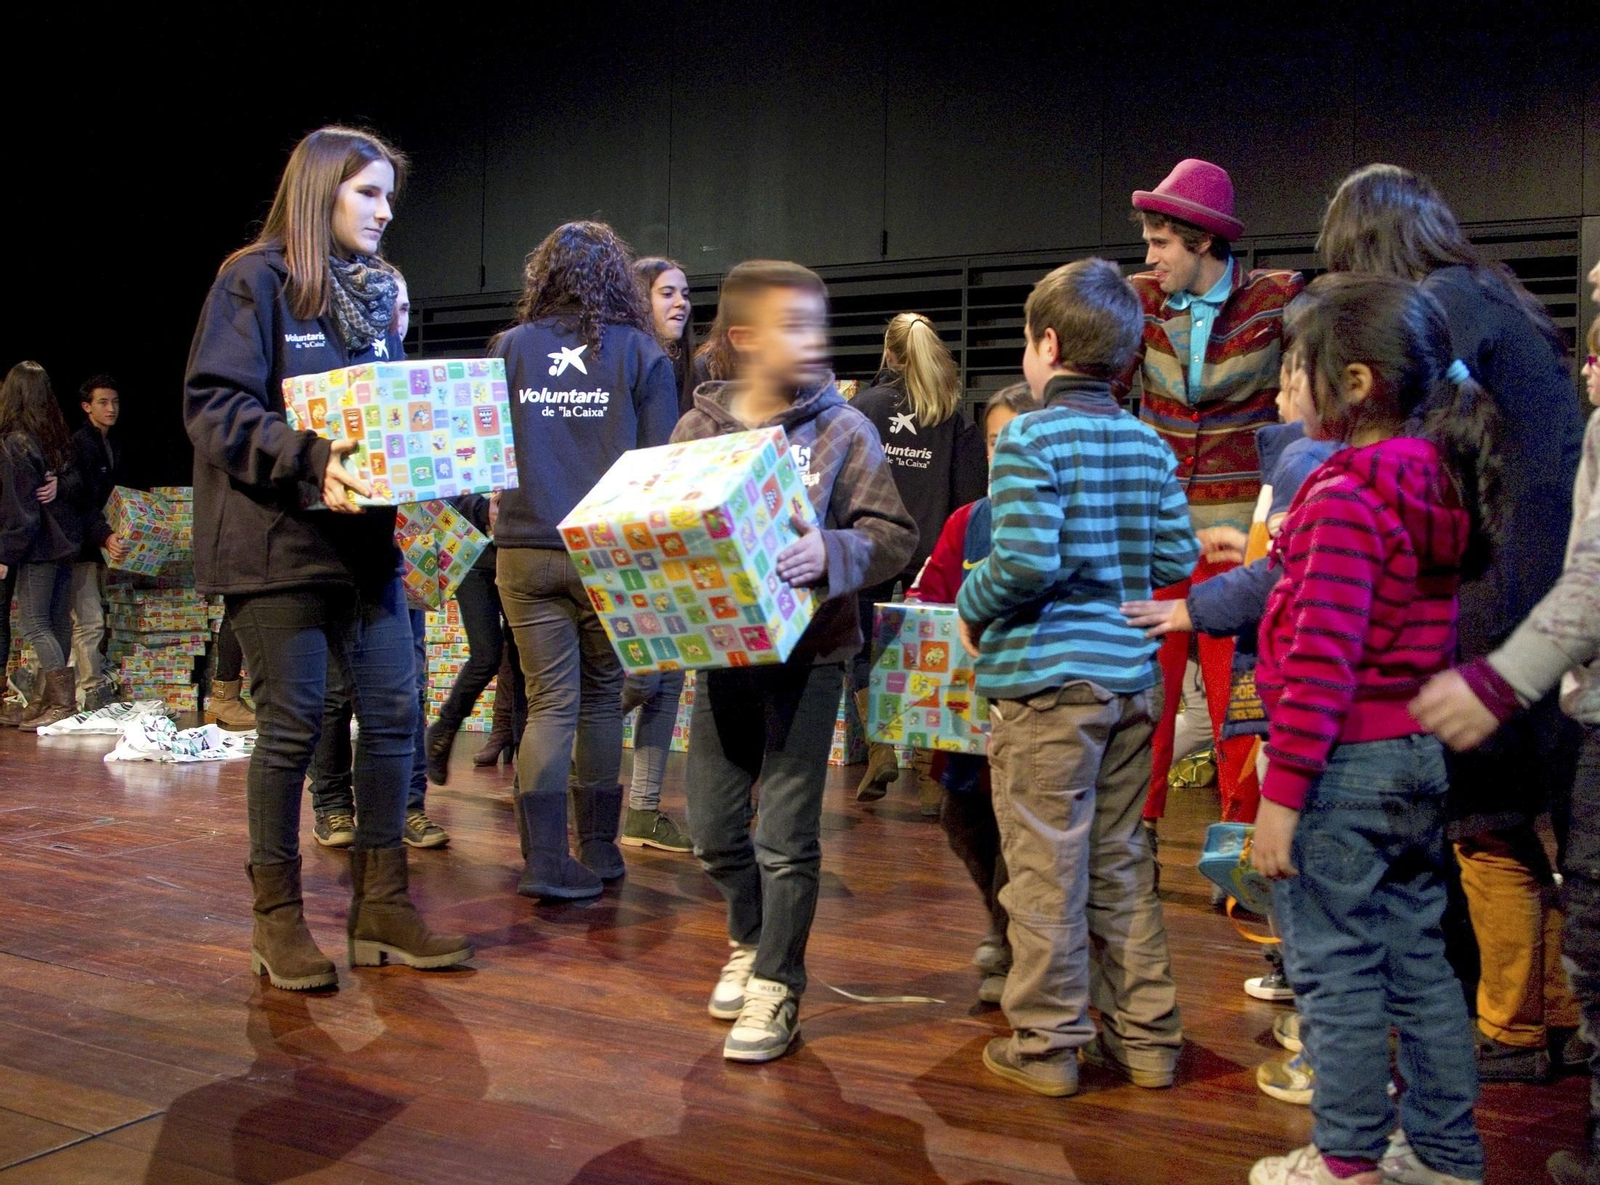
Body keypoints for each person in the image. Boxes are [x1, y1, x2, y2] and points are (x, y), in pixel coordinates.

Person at [183, 126, 471, 992]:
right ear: (320, 194)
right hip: (273, 546)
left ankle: (382, 906)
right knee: (295, 724)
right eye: (368, 194)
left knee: (393, 715)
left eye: (389, 196)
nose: (386, 212)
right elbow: (213, 407)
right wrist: (313, 457)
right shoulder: (254, 280)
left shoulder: (377, 296)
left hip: (364, 549)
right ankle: (277, 920)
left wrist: (439, 456)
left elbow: (381, 422)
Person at [1321, 163, 1585, 1083]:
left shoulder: (1446, 298)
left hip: (1512, 586)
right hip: (1541, 573)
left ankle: (1509, 1029)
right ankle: (1542, 1014)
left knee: (1487, 816)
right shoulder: (1492, 288)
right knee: (1540, 823)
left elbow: (1396, 407)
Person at [1247, 273, 1492, 1185]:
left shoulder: (1348, 494)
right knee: (1419, 962)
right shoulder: (1431, 482)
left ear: (1355, 384)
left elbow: (1322, 661)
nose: (1283, 388)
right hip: (1413, 759)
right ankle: (1443, 1153)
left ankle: (1348, 1161)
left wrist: (1282, 799)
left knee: (1337, 976)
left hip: (1343, 765)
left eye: (1295, 370)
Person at [956, 258, 1196, 1099]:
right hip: (1131, 680)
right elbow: (1176, 555)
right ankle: (1149, 1039)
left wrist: (970, 595)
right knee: (1124, 861)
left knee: (1043, 869)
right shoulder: (1148, 442)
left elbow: (1022, 560)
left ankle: (1049, 1046)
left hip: (1049, 685)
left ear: (1047, 345)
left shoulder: (1028, 435)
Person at [675, 259, 916, 1064]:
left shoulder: (846, 429)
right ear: (743, 339)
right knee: (711, 829)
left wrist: (833, 548)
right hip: (721, 660)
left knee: (784, 832)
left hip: (810, 659)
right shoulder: (695, 430)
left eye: (819, 322)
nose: (815, 341)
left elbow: (893, 535)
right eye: (794, 326)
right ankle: (748, 935)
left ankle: (779, 980)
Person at [1409, 316, 1600, 1185]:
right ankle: (1536, 1018)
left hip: (1504, 655)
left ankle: (1515, 1026)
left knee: (1491, 838)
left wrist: (1491, 679)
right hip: (1532, 666)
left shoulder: (1465, 449)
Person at [1123, 342, 1338, 1106]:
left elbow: (1287, 580)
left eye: (1289, 382)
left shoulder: (1309, 464)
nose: (1276, 399)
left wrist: (1193, 604)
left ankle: (1330, 1061)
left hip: (1309, 720)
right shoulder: (1305, 461)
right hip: (1311, 715)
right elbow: (1279, 556)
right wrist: (1235, 548)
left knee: (1319, 893)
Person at [1118, 158, 1305, 836]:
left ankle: (1241, 850)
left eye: (1161, 241)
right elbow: (1106, 395)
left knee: (1239, 703)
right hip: (1158, 529)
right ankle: (1130, 839)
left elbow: (1302, 413)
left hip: (1237, 537)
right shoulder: (1138, 299)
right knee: (1144, 697)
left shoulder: (1277, 298)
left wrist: (1282, 512)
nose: (1149, 255)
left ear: (1200, 240)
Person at [493, 220, 679, 900]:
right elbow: (662, 467)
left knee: (549, 704)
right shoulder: (642, 354)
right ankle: (598, 850)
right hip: (609, 554)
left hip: (523, 548)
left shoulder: (510, 349)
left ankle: (543, 861)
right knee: (602, 701)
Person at [904, 380, 1039, 1006]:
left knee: (1023, 831)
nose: (999, 456)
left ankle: (1017, 945)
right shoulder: (970, 520)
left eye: (1012, 441)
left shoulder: (1058, 521)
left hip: (1033, 715)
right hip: (965, 716)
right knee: (963, 817)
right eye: (991, 443)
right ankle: (997, 919)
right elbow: (926, 599)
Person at [850, 313, 986, 810]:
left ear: (889, 354)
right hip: (930, 553)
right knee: (932, 659)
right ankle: (933, 778)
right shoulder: (953, 416)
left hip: (869, 547)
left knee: (859, 648)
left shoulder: (861, 407)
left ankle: (881, 750)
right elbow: (971, 496)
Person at [610, 256, 698, 853]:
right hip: (626, 541)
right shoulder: (623, 361)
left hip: (670, 538)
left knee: (668, 676)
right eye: (668, 292)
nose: (681, 303)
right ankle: (576, 773)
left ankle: (642, 809)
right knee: (639, 676)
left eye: (686, 294)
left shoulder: (682, 369)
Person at [0, 362, 116, 731]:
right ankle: (45, 699)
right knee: (55, 621)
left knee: (34, 623)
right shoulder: (55, 433)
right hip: (66, 541)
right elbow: (72, 482)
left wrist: (5, 553)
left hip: (41, 545)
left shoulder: (17, 440)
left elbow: (21, 507)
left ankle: (61, 702)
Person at [67, 374, 122, 709]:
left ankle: (80, 686)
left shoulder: (109, 443)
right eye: (103, 402)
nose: (111, 408)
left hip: (97, 546)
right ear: (86, 406)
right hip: (80, 546)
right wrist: (103, 534)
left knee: (88, 619)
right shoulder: (81, 445)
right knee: (89, 621)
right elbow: (82, 502)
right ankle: (90, 690)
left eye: (115, 402)